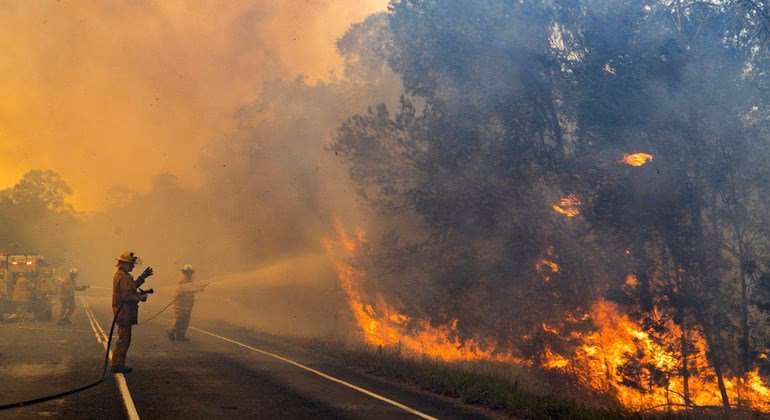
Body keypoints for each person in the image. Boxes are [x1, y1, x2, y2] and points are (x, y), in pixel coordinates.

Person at [111, 251, 153, 374]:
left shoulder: (121, 275)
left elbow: (131, 287)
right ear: (124, 264)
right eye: (131, 264)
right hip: (124, 312)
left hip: (123, 311)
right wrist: (141, 297)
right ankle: (117, 364)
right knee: (124, 340)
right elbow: (127, 296)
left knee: (123, 339)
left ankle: (118, 363)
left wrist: (142, 277)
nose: (133, 266)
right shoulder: (124, 277)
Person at [167, 264, 206, 342]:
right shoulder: (183, 280)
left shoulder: (189, 280)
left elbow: (194, 289)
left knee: (186, 320)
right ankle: (171, 332)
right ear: (185, 272)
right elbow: (191, 288)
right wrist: (200, 287)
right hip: (181, 304)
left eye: (191, 272)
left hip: (187, 304)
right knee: (179, 319)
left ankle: (180, 336)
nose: (190, 273)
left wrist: (201, 287)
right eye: (188, 272)